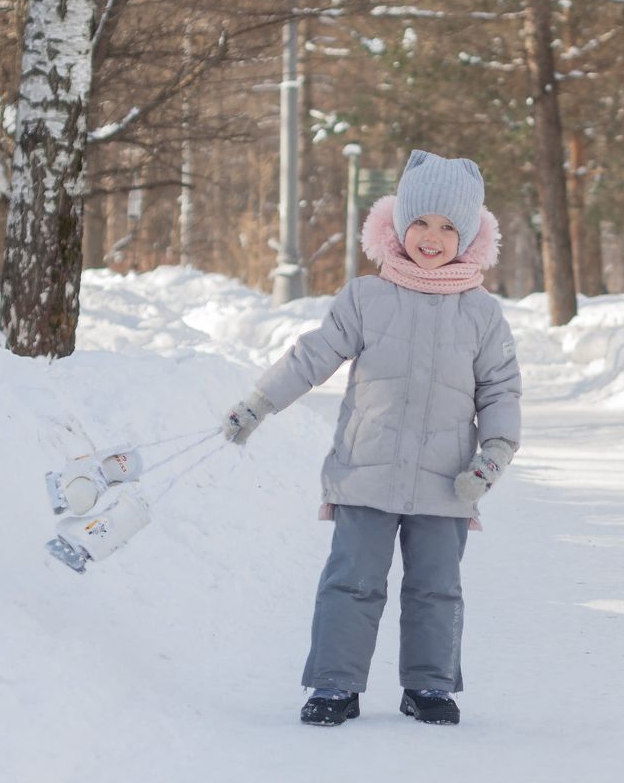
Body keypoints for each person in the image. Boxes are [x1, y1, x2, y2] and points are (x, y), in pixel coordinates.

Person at [223, 150, 521, 727]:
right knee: (352, 582)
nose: (431, 237)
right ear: (398, 224)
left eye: (448, 227)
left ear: (468, 236)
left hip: (446, 481)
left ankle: (429, 687)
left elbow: (501, 392)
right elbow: (312, 356)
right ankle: (335, 685)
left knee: (437, 590)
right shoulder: (365, 297)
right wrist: (259, 403)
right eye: (421, 223)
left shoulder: (482, 313)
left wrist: (496, 453)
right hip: (366, 470)